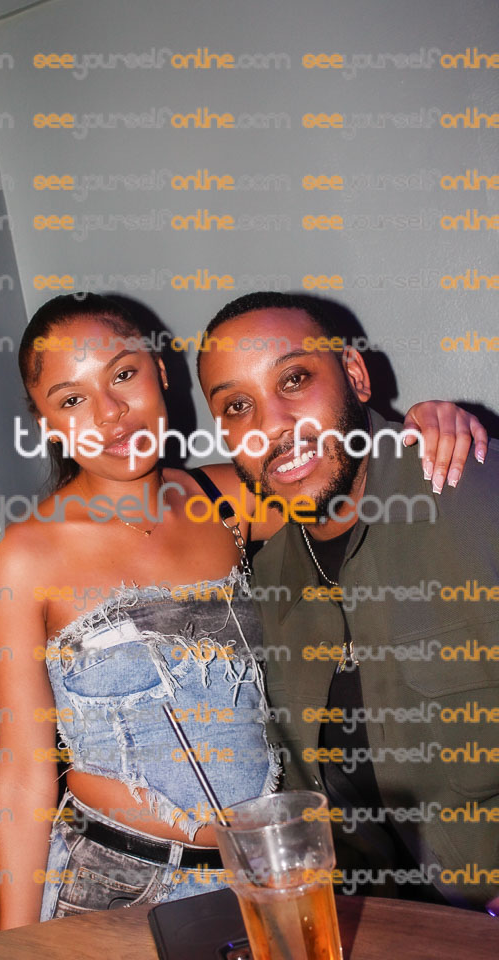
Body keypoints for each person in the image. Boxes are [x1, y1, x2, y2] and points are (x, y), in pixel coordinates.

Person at [0, 292, 486, 928]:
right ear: (48, 423)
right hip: (110, 887)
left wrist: (425, 425)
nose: (109, 414)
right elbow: (23, 774)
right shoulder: (22, 559)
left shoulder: (230, 499)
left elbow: (352, 475)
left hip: (265, 878)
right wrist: (14, 941)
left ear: (160, 373)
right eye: (72, 400)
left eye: (123, 375)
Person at [196, 291, 498, 911]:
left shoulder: (475, 495)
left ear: (355, 376)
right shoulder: (266, 583)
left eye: (294, 380)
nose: (273, 426)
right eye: (237, 406)